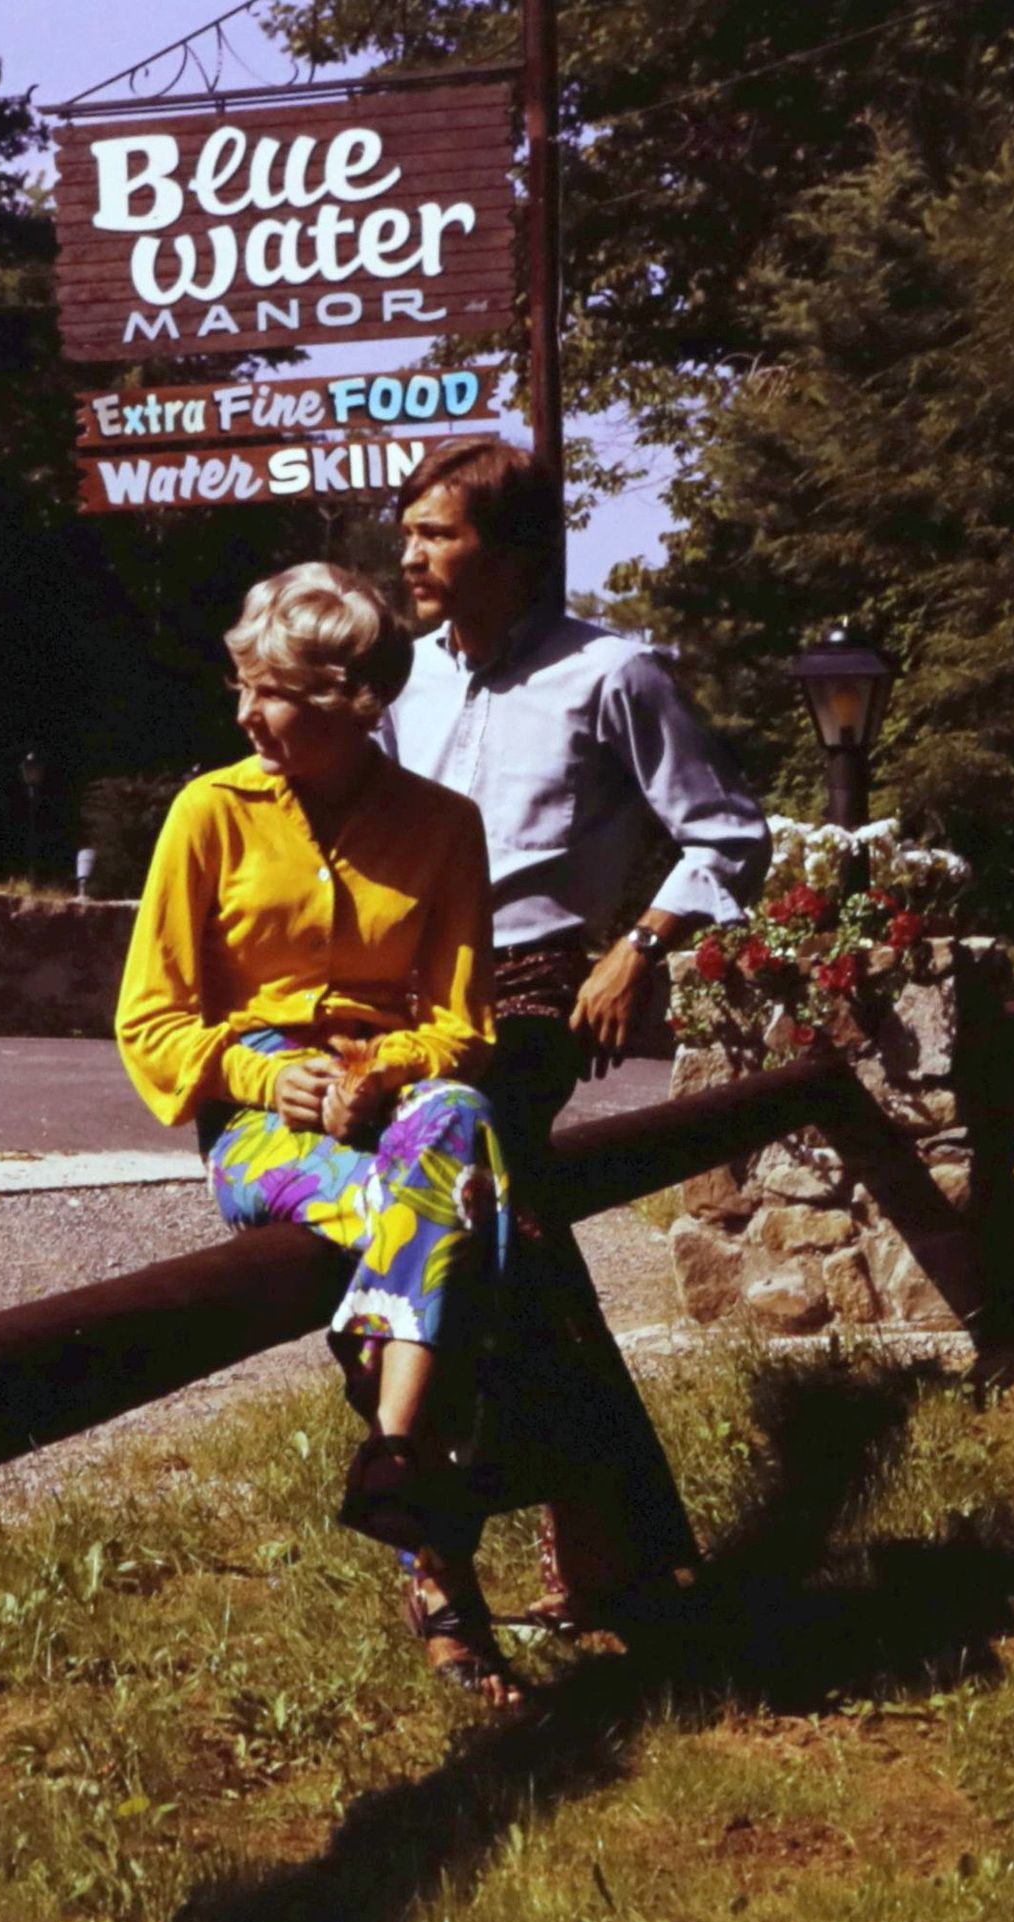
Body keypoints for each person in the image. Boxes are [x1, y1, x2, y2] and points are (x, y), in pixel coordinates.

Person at [117, 560, 544, 1706]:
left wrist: (377, 1068)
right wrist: (275, 1079)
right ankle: (435, 1549)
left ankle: (394, 1458)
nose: (245, 713)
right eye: (241, 685)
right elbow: (150, 1022)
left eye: (273, 692)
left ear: (353, 702)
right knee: (463, 1223)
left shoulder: (443, 827)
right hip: (261, 1126)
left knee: (462, 1121)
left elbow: (462, 1026)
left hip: (402, 1111)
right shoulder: (207, 813)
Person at [384, 435, 772, 1629]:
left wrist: (639, 945)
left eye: (436, 535)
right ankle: (622, 1550)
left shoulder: (614, 673)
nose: (409, 556)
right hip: (415, 991)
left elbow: (729, 835)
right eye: (407, 534)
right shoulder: (402, 679)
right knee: (515, 1248)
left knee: (469, 1204)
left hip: (544, 985)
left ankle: (442, 1544)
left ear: (510, 553)